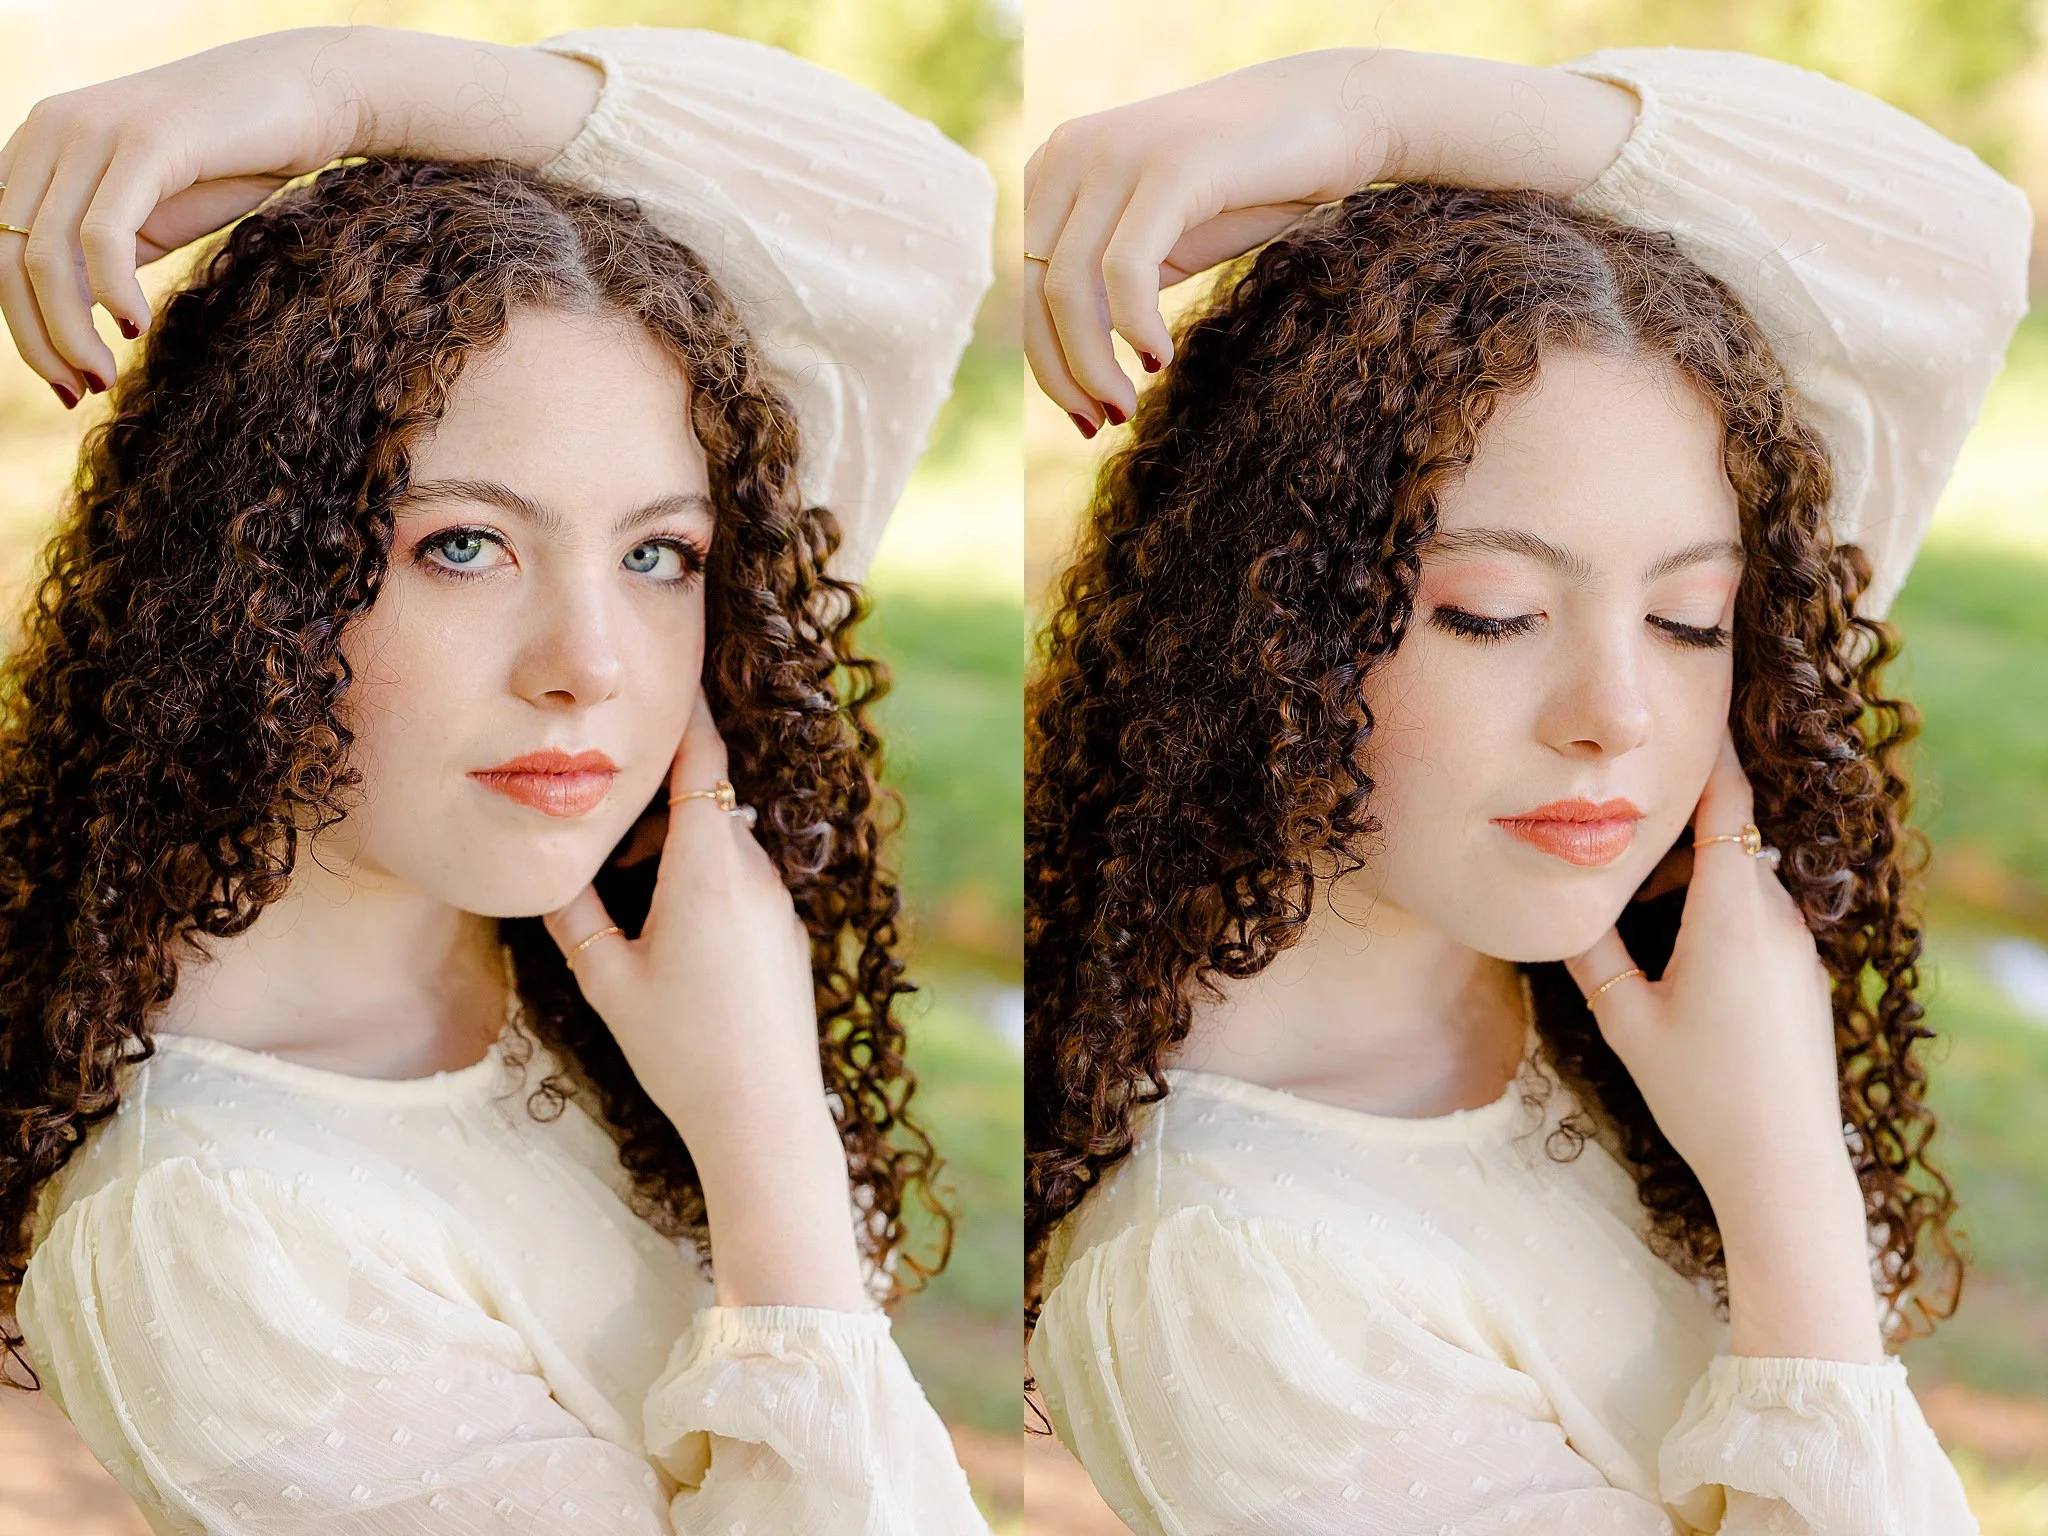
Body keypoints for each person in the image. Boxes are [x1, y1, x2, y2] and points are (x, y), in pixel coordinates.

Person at [1023, 43, 2030, 1535]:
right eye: (1493, 616)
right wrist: (1787, 1189)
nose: (1619, 717)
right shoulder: (1235, 1278)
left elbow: (1947, 249)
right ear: (1270, 624)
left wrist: (1372, 112)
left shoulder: (1610, 974)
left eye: (1691, 619)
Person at [0, 23, 994, 1534]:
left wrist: (343, 87)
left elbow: (912, 220)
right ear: (251, 584)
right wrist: (767, 1139)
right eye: (464, 545)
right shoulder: (222, 1228)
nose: (591, 665)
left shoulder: (595, 943)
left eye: (659, 554)